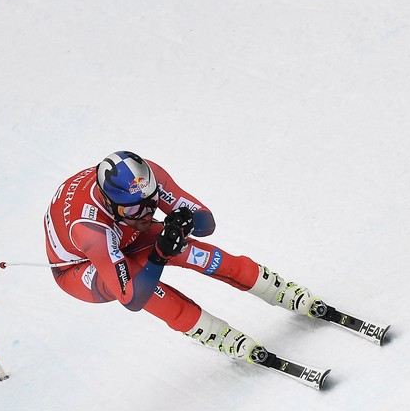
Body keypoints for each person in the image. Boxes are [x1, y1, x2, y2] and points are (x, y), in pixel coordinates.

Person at [43, 150, 328, 364]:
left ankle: (276, 289)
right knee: (148, 286)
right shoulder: (89, 228)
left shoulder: (144, 179)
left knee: (191, 250)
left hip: (122, 234)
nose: (146, 215)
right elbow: (131, 298)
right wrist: (158, 255)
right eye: (133, 210)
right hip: (81, 266)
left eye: (152, 203)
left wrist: (184, 222)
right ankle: (215, 333)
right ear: (110, 204)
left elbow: (207, 222)